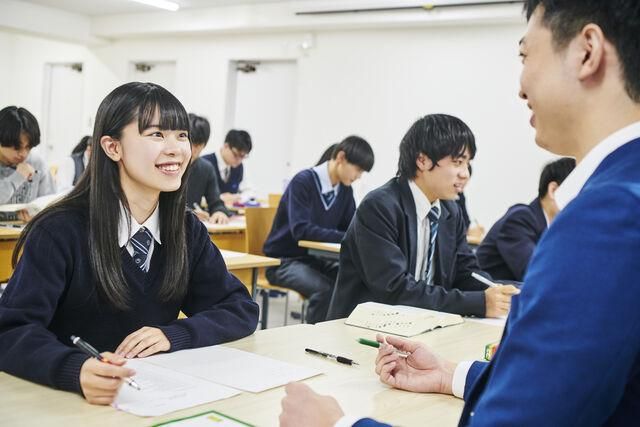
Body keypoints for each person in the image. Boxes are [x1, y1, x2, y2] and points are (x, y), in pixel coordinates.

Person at [280, 0, 640, 425]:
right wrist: (456, 374)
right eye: (458, 162)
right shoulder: (618, 202)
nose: (521, 87)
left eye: (525, 55)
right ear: (423, 161)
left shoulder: (607, 217)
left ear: (586, 51)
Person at [0, 82, 259, 405]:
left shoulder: (185, 229)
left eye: (181, 135)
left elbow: (239, 309)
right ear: (112, 147)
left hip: (154, 401)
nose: (177, 148)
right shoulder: (59, 231)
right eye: (156, 134)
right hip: (68, 405)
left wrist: (173, 334)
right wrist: (74, 368)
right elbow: (10, 330)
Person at [327, 114, 519, 321]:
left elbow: (465, 271)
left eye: (467, 164)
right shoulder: (380, 206)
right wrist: (478, 303)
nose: (465, 174)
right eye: (457, 162)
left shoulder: (450, 212)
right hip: (364, 330)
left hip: (420, 327)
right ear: (423, 160)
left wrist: (498, 293)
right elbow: (394, 289)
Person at [263, 136, 374, 324]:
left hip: (316, 260)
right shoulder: (303, 181)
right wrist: (343, 237)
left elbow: (351, 228)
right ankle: (314, 340)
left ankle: (338, 334)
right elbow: (301, 230)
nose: (359, 176)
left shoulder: (344, 191)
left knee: (355, 281)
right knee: (325, 290)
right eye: (358, 169)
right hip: (284, 262)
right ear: (341, 157)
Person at [477, 157, 575, 281]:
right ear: (553, 190)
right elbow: (536, 274)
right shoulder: (520, 219)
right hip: (487, 297)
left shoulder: (557, 229)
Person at [0, 106, 55, 220]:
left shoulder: (37, 163)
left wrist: (36, 214)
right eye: (17, 148)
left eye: (28, 147)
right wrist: (18, 176)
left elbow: (50, 203)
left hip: (25, 233)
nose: (23, 154)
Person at [186, 113, 232, 224]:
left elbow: (216, 202)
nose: (192, 149)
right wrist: (189, 213)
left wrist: (219, 212)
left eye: (197, 145)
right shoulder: (167, 165)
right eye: (189, 142)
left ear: (204, 145)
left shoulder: (206, 169)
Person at [201, 129, 253, 205]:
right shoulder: (204, 163)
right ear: (226, 146)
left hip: (231, 214)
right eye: (236, 155)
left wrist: (237, 197)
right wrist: (220, 198)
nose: (239, 160)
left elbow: (248, 191)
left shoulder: (238, 167)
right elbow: (195, 197)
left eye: (242, 156)